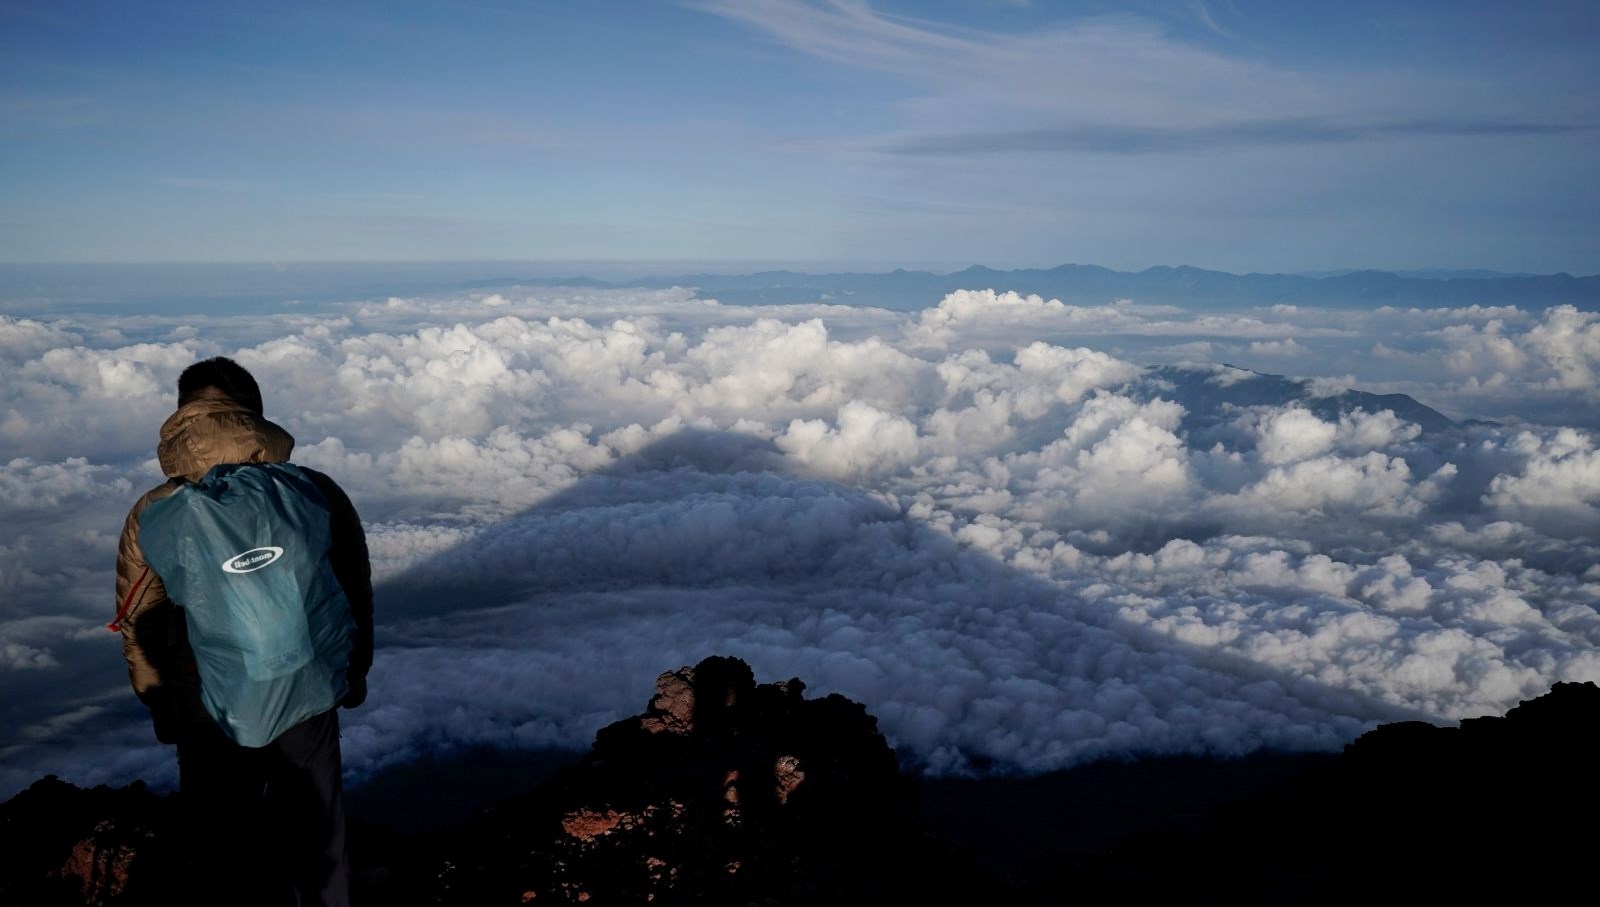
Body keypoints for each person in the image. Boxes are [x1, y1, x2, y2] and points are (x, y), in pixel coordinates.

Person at [113, 357, 373, 906]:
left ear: (183, 413)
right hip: (308, 687)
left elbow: (140, 619)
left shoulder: (156, 510)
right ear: (254, 413)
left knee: (221, 851)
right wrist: (354, 671)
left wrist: (158, 701)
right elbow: (351, 587)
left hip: (205, 700)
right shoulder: (313, 490)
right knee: (320, 843)